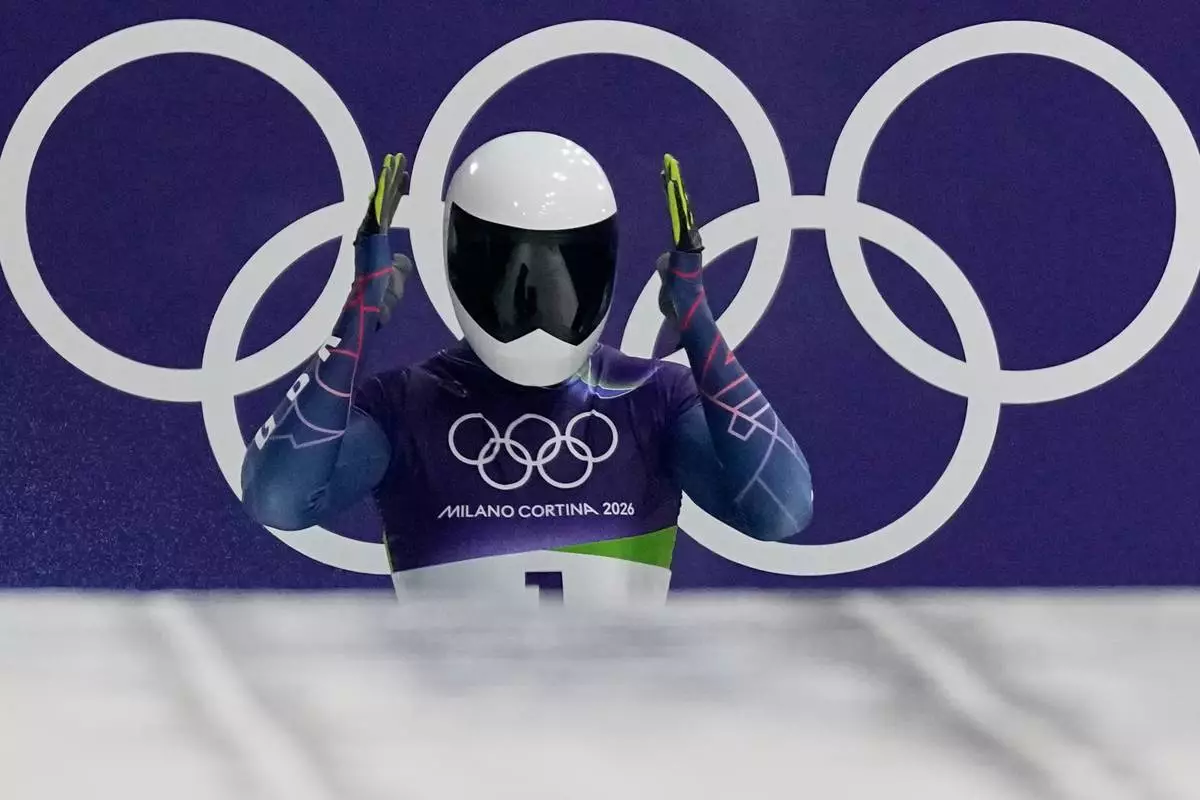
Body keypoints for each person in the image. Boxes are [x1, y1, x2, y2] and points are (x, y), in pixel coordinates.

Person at [240, 131, 812, 604]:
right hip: (451, 731)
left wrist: (698, 324)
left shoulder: (658, 396)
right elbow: (278, 501)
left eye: (566, 263)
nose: (537, 298)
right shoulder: (403, 405)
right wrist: (355, 323)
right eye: (507, 265)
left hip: (623, 729)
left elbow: (781, 512)